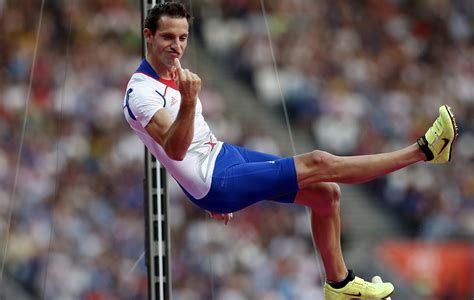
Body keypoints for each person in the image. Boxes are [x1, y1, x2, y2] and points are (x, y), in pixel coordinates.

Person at [123, 3, 458, 299]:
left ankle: (340, 284)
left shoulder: (173, 71)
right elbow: (176, 150)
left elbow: (167, 153)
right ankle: (425, 151)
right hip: (215, 180)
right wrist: (205, 189)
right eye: (168, 37)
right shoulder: (142, 93)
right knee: (320, 162)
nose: (177, 46)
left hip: (220, 157)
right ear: (148, 35)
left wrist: (200, 194)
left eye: (182, 38)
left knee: (326, 194)